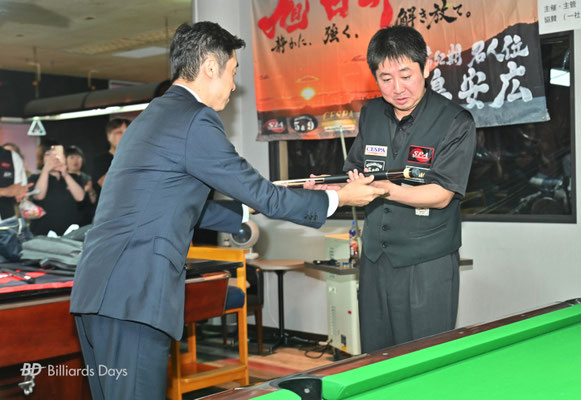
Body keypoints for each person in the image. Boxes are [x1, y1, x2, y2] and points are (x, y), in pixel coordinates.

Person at [69, 21, 386, 400]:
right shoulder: (194, 119)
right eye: (233, 72)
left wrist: (243, 216)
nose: (234, 85)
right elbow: (262, 194)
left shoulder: (152, 117)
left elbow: (173, 203)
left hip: (98, 292)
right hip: (134, 296)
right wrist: (339, 198)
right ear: (209, 67)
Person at [340, 25, 476, 352]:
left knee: (424, 355)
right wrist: (328, 187)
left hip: (426, 262)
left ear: (426, 68)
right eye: (386, 79)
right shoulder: (371, 113)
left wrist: (381, 189)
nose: (397, 88)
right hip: (375, 259)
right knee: (376, 354)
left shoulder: (454, 121)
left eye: (406, 75)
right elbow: (355, 171)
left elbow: (441, 194)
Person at [29, 141, 86, 235]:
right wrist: (45, 170)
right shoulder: (35, 178)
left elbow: (80, 197)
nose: (53, 158)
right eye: (48, 155)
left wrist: (65, 174)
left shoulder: (73, 177)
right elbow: (39, 196)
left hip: (69, 234)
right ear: (42, 159)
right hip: (42, 234)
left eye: (56, 154)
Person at [91, 118, 130, 198]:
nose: (124, 136)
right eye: (119, 132)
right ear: (109, 136)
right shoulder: (100, 160)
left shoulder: (137, 159)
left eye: (128, 132)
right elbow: (105, 184)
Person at [65, 145, 97, 225]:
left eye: (78, 157)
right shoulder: (62, 178)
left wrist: (90, 191)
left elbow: (93, 201)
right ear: (65, 160)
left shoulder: (88, 178)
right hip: (68, 219)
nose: (75, 160)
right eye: (72, 157)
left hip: (86, 220)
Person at [0, 143, 29, 220]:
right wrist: (5, 191)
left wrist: (19, 193)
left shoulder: (12, 156)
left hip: (7, 220)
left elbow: (18, 189)